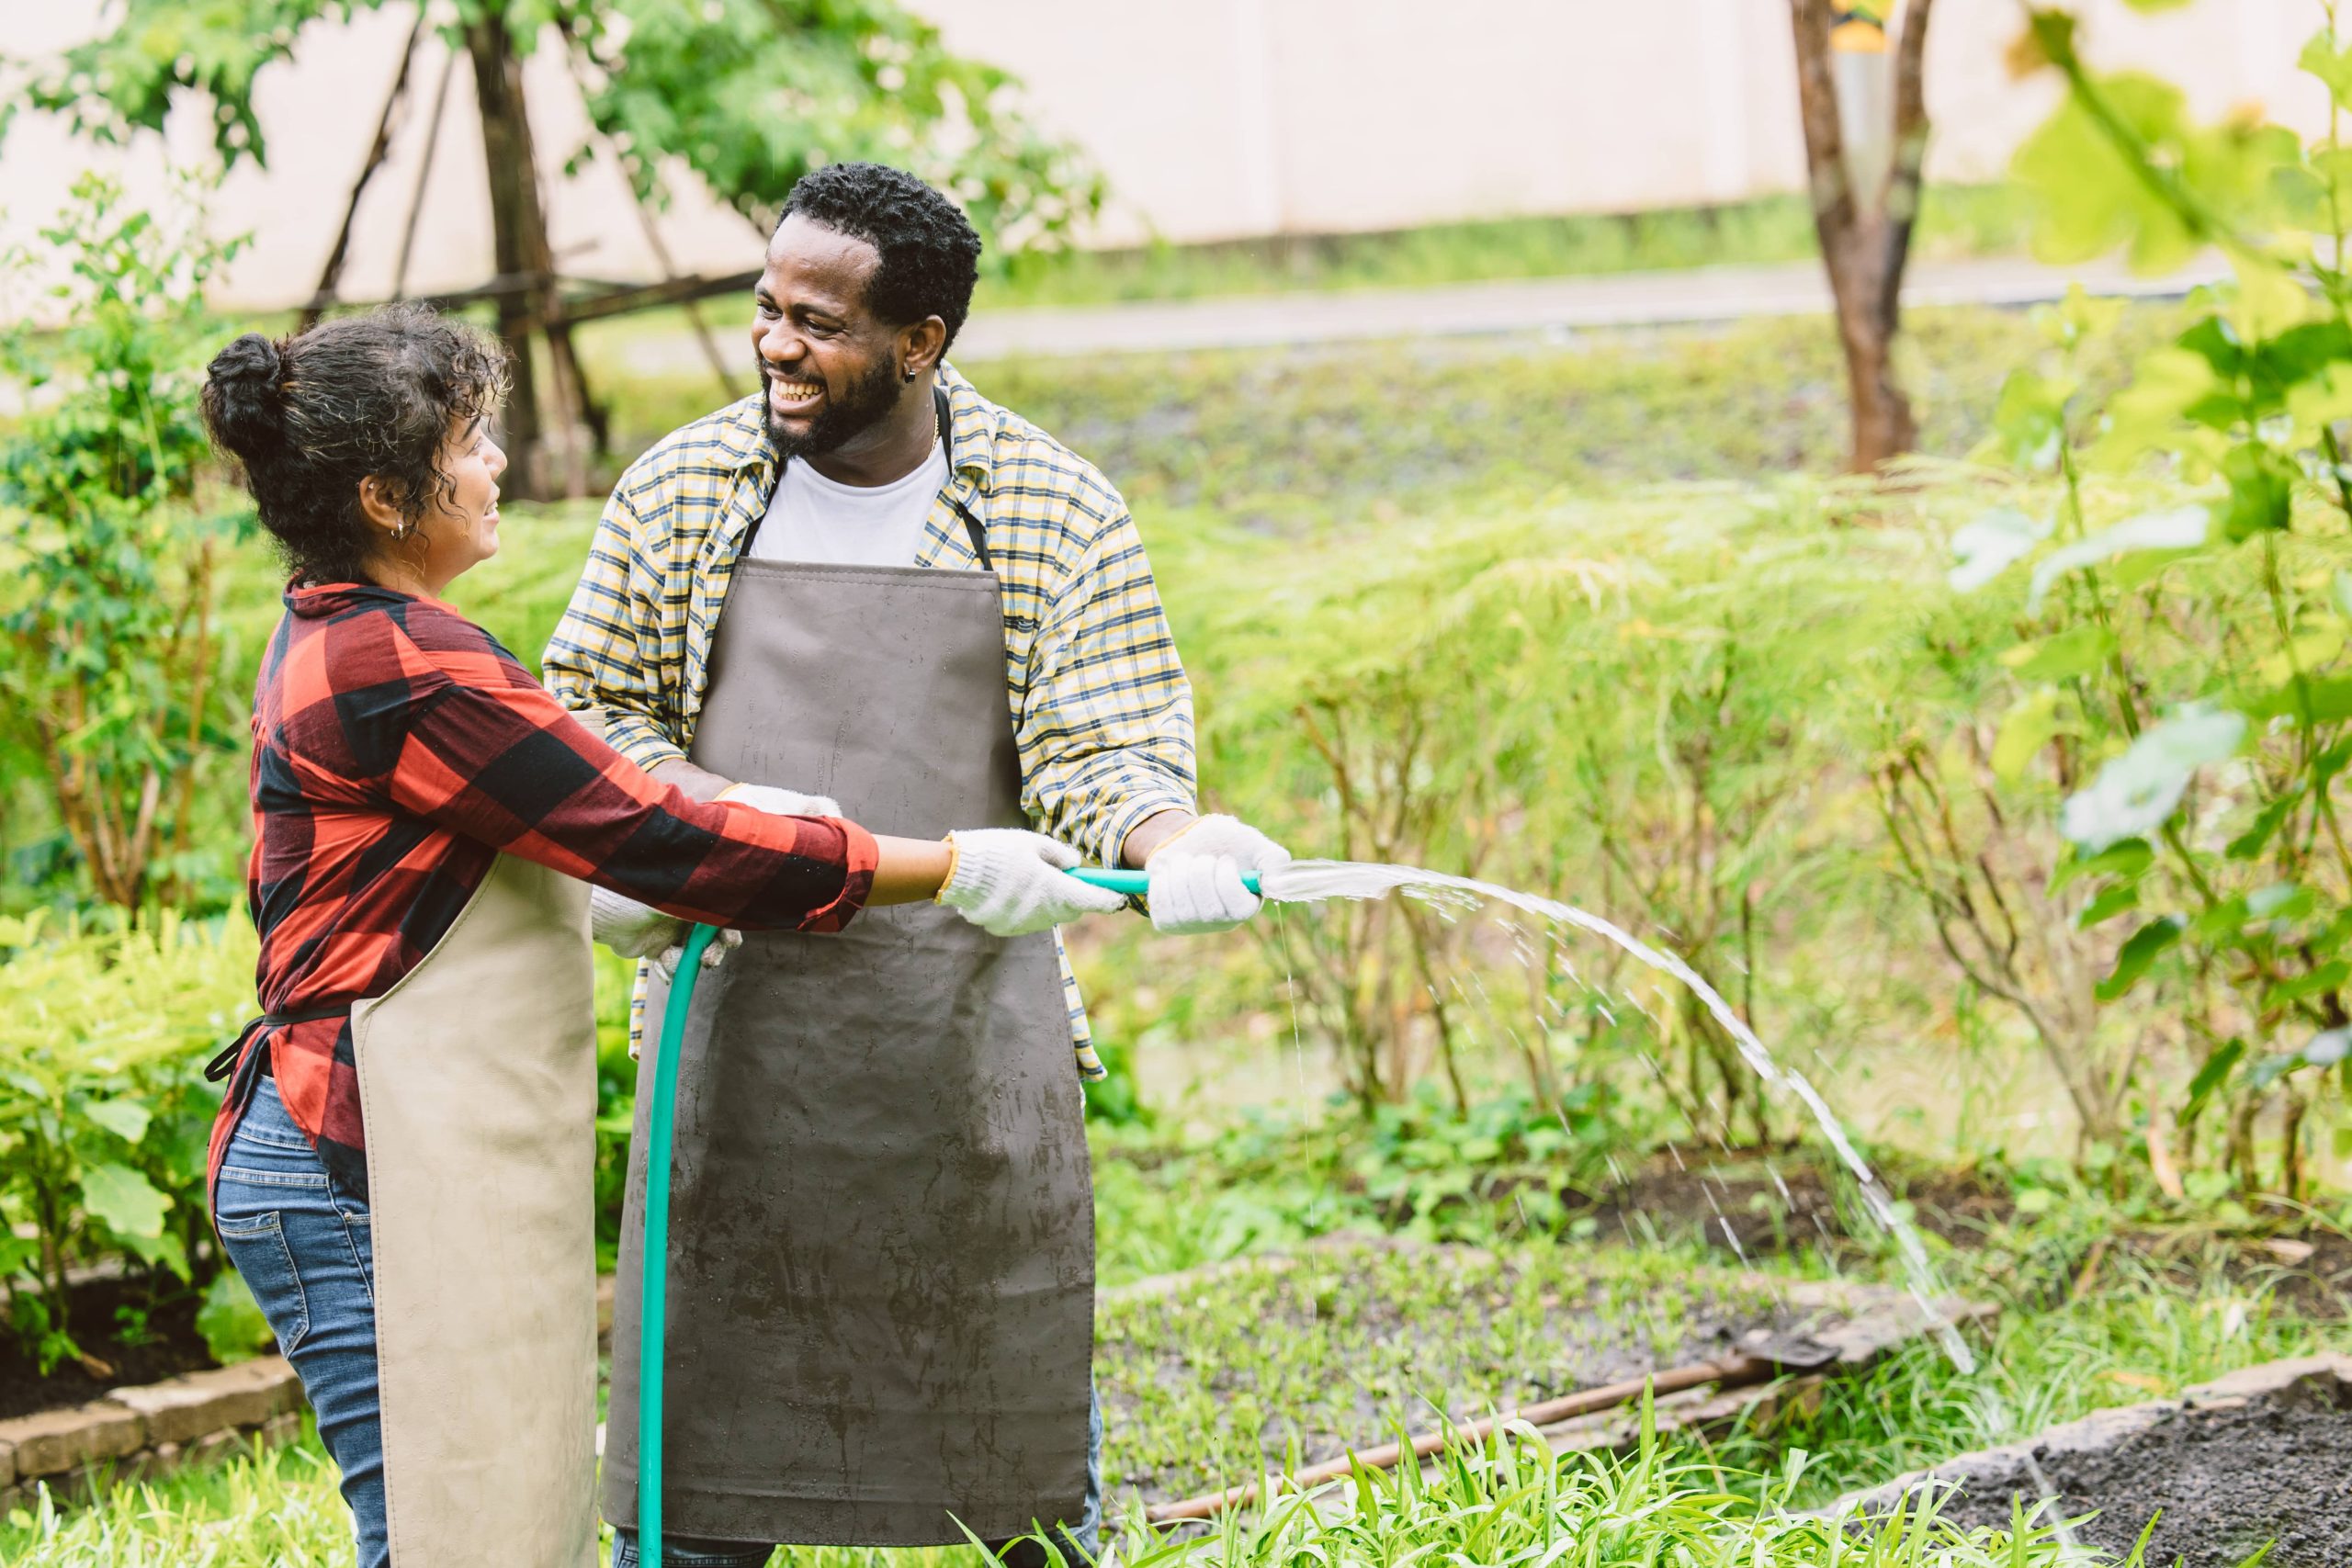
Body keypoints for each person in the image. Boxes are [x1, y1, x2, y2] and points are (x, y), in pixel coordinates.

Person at [198, 303, 1122, 1568]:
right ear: (384, 495)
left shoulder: (357, 635)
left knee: (494, 1529)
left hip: (384, 1145)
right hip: (357, 1154)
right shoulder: (406, 669)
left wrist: (719, 815)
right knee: (446, 1539)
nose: (497, 465)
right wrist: (957, 861)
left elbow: (600, 815)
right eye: (470, 442)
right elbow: (659, 838)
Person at [545, 162, 1292, 1567]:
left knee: (1019, 1480)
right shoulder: (687, 491)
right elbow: (586, 713)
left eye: (817, 322)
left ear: (921, 342)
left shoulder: (1048, 507)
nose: (775, 342)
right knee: (702, 1491)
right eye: (767, 307)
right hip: (731, 1046)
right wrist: (724, 808)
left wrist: (1174, 842)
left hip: (967, 1054)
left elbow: (1104, 745)